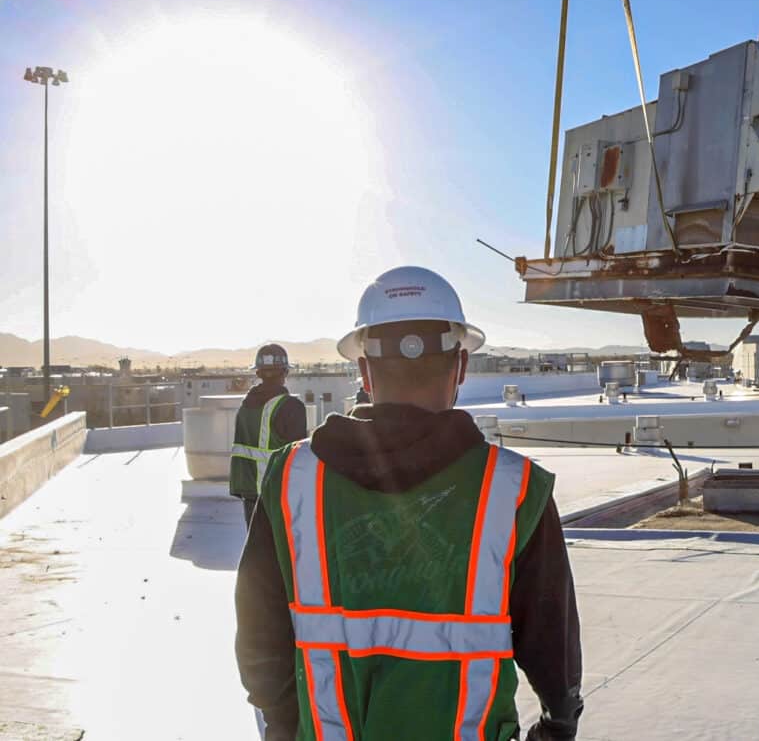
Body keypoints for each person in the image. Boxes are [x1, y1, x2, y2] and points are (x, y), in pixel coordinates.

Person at [235, 266, 583, 741]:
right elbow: (554, 654)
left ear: (363, 371)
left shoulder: (289, 481)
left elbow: (260, 638)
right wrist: (557, 726)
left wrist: (282, 723)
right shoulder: (515, 491)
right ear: (460, 366)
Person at [230, 343, 308, 528]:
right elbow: (299, 455)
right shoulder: (292, 407)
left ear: (258, 373)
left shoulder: (245, 407)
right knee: (281, 553)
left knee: (256, 551)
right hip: (278, 492)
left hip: (249, 490)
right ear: (285, 373)